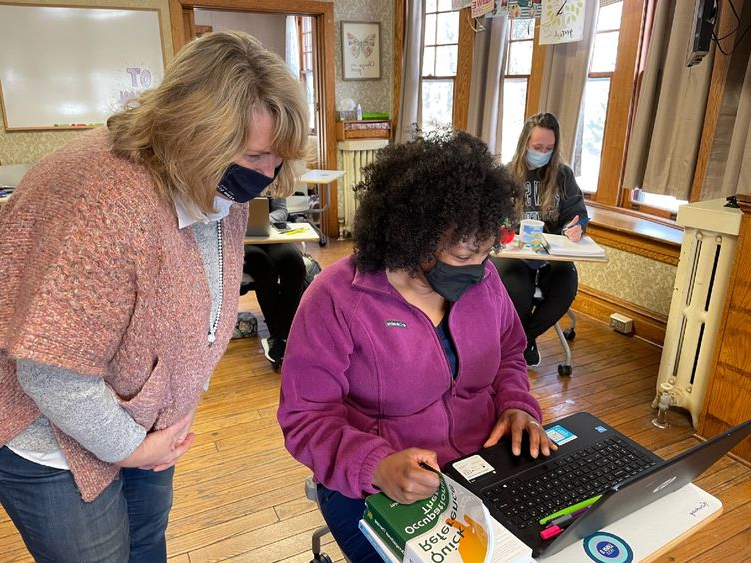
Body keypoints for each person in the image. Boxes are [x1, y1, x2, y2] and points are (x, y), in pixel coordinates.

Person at [0, 31, 308, 562]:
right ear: (193, 133)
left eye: (276, 158)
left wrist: (169, 417)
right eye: (255, 155)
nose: (267, 176)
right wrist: (135, 448)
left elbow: (199, 307)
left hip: (146, 422)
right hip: (51, 437)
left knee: (146, 546)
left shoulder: (214, 182)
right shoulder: (106, 202)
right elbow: (53, 373)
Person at [277, 130, 557, 562]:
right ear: (413, 238)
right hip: (370, 482)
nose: (479, 268)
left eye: (486, 252)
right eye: (464, 255)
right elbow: (305, 418)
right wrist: (376, 465)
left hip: (480, 465)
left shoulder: (486, 281)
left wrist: (517, 403)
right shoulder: (336, 299)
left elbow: (509, 355)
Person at [491, 112, 588, 368]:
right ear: (525, 144)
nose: (543, 152)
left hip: (551, 253)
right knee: (517, 289)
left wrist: (575, 228)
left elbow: (577, 215)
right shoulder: (505, 174)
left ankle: (523, 339)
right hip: (514, 254)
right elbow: (490, 217)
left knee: (566, 285)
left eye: (549, 148)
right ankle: (517, 343)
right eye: (537, 147)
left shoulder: (563, 176)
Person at [244, 198, 306, 368]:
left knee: (294, 262)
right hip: (241, 239)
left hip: (268, 234)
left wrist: (265, 221)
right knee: (262, 264)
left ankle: (281, 335)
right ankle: (280, 336)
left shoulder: (273, 175)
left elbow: (281, 211)